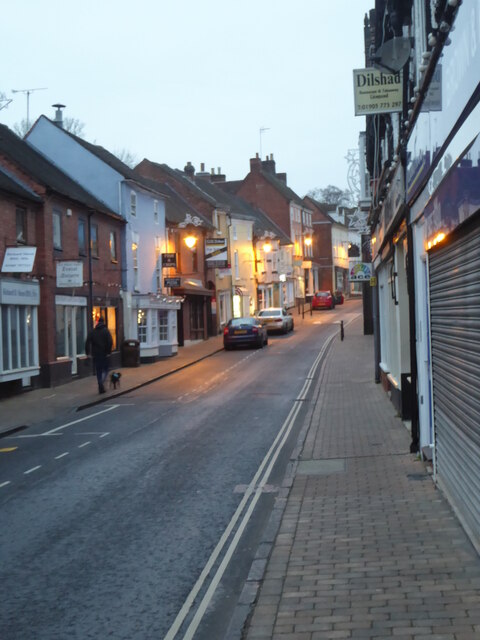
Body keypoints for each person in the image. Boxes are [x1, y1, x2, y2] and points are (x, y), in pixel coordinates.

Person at [85, 317, 113, 394]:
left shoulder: (92, 332)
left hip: (96, 354)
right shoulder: (106, 331)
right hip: (104, 354)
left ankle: (100, 383)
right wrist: (108, 352)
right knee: (106, 369)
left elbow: (87, 342)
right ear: (103, 322)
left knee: (98, 370)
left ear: (97, 323)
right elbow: (110, 342)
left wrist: (88, 353)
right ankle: (102, 382)